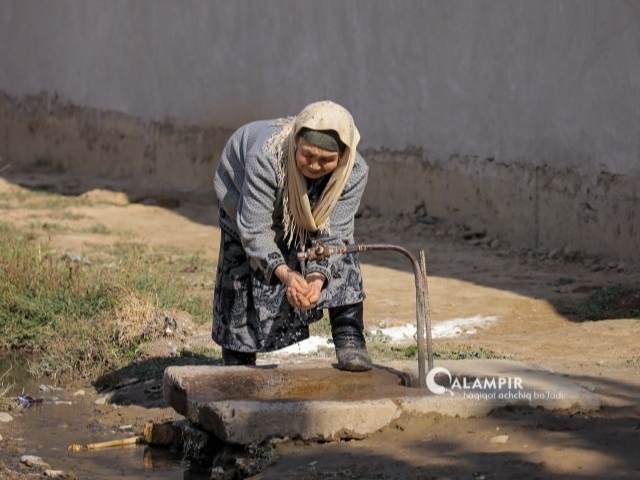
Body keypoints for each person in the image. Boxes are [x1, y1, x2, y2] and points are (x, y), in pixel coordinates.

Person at [212, 100, 371, 371]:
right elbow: (255, 230)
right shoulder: (266, 158)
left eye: (327, 160)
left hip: (312, 210)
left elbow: (335, 234)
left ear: (342, 157)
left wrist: (316, 280)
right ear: (295, 143)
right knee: (243, 268)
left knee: (340, 252)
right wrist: (286, 274)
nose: (315, 165)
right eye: (307, 155)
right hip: (240, 195)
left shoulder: (353, 171)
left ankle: (349, 338)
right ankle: (238, 355)